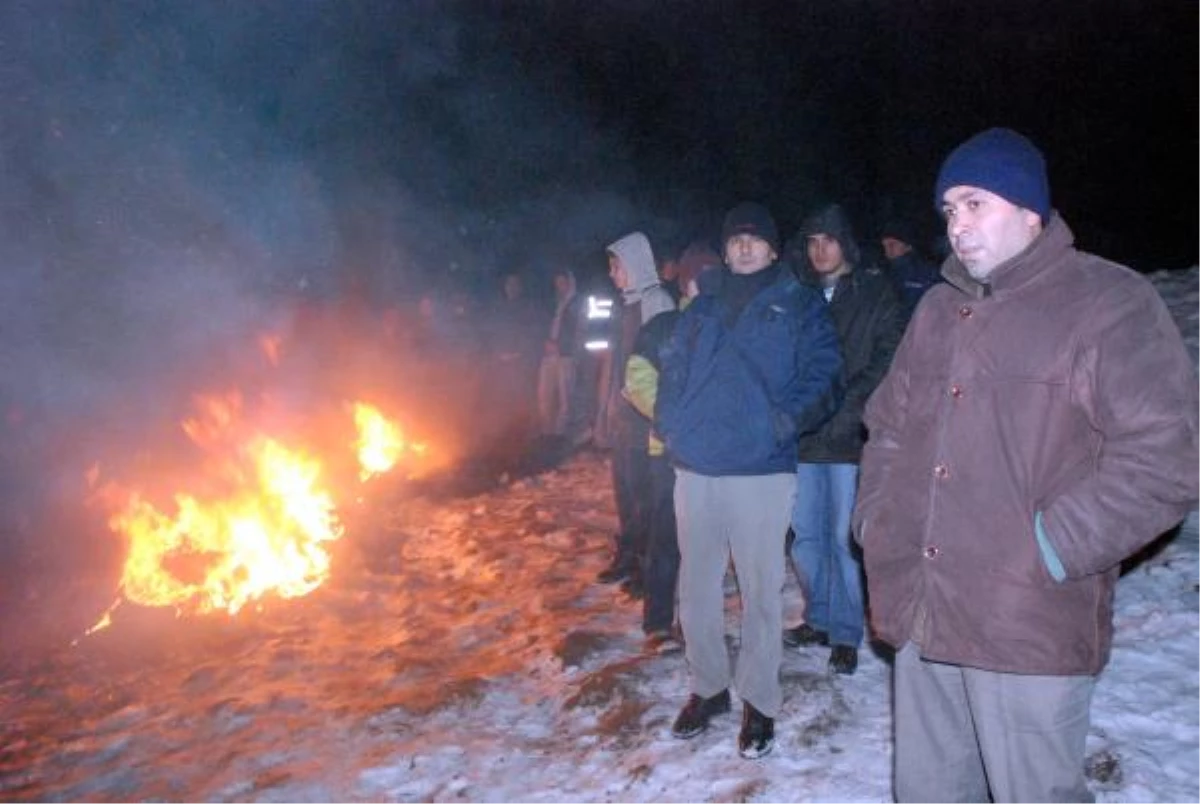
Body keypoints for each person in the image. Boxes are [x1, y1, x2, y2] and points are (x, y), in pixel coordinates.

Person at [853, 128, 1200, 802]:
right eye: (949, 210)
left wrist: (1047, 546)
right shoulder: (935, 310)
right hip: (925, 613)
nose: (957, 226)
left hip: (1025, 623)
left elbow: (1167, 457)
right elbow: (888, 427)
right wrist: (878, 518)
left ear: (1028, 209)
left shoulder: (1108, 302)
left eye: (975, 203)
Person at [656, 202, 843, 758]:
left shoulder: (797, 302)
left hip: (760, 469)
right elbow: (673, 367)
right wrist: (672, 424)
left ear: (772, 247)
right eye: (735, 237)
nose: (743, 246)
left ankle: (759, 700)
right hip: (697, 465)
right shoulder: (704, 302)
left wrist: (783, 422)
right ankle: (708, 687)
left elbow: (824, 374)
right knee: (697, 587)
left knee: (761, 590)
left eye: (754, 238)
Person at [783, 204, 904, 676]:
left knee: (842, 537)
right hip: (807, 438)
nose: (820, 250)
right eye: (812, 241)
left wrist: (848, 407)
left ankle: (848, 631)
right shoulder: (800, 298)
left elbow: (888, 357)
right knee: (807, 537)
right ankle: (819, 617)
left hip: (852, 437)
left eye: (828, 240)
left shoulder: (875, 293)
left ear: (845, 244)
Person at [623, 240, 722, 653]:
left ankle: (696, 622)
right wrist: (672, 422)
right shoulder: (663, 327)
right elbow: (636, 380)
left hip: (714, 458)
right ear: (685, 284)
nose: (705, 286)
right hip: (669, 452)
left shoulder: (727, 328)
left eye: (712, 279)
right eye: (698, 279)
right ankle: (659, 623)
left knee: (703, 547)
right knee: (665, 540)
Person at [595, 232, 676, 597]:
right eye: (611, 267)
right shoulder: (624, 304)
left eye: (617, 266)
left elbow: (666, 359)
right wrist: (606, 407)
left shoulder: (656, 300)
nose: (613, 273)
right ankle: (628, 556)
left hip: (645, 418)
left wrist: (656, 412)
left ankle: (648, 567)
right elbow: (616, 363)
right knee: (626, 494)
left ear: (635, 263)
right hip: (623, 418)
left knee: (648, 497)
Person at [536, 268, 585, 441]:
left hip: (566, 356)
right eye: (557, 284)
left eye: (562, 283)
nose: (560, 287)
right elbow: (543, 324)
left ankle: (559, 434)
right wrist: (546, 341)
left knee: (565, 397)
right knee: (544, 394)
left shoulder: (578, 303)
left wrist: (563, 346)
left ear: (570, 282)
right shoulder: (554, 302)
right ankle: (545, 431)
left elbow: (580, 332)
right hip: (548, 354)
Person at [879, 218, 940, 319]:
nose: (887, 251)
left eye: (892, 245)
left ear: (908, 246)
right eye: (884, 246)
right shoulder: (882, 273)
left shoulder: (928, 275)